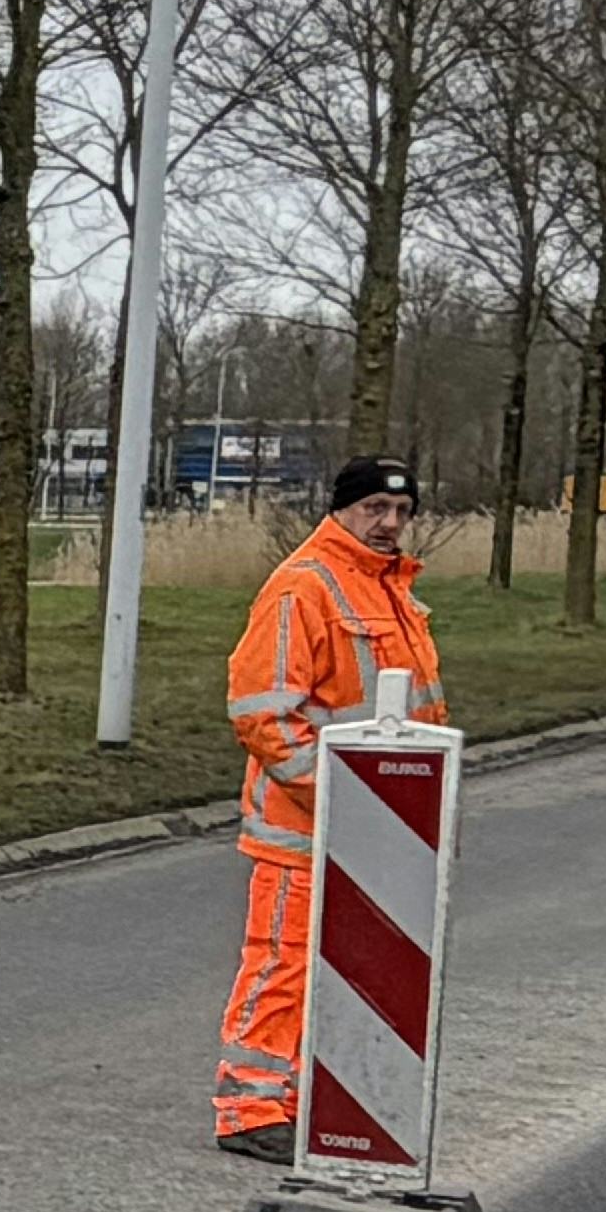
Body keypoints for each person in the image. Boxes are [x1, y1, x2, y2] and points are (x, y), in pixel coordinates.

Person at [215, 456, 451, 1160]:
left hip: (376, 829)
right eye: (375, 507)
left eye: (402, 511)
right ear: (342, 508)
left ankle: (302, 1100)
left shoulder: (389, 589)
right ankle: (249, 1107)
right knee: (283, 965)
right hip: (306, 829)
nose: (390, 523)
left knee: (346, 972)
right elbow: (263, 713)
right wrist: (346, 799)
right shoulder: (304, 586)